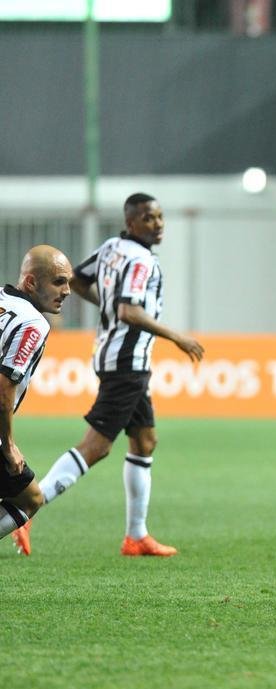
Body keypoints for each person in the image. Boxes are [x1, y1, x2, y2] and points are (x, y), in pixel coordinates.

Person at [32, 193, 205, 557]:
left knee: (145, 441)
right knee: (96, 447)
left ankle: (136, 536)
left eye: (159, 216)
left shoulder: (112, 247)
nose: (157, 224)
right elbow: (128, 311)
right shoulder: (142, 261)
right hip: (127, 362)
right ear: (131, 223)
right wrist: (177, 336)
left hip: (119, 358)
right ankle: (29, 507)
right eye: (148, 218)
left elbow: (77, 280)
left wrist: (108, 302)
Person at [0, 247, 74, 555]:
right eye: (58, 282)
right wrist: (8, 444)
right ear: (31, 282)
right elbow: (4, 388)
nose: (67, 291)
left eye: (68, 282)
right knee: (30, 499)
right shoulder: (32, 323)